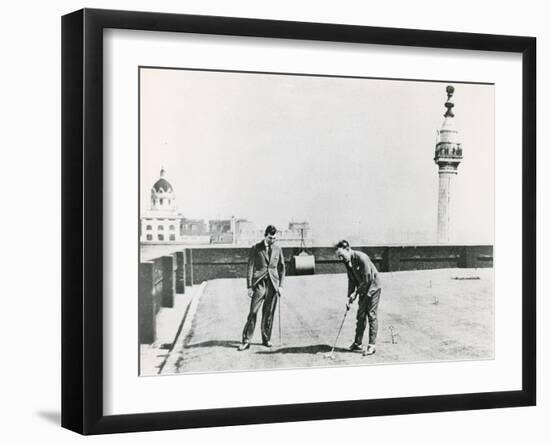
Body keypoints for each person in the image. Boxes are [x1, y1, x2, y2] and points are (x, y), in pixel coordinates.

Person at [238, 225, 286, 351]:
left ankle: (266, 339)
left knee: (269, 313)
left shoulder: (278, 249)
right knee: (253, 312)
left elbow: (282, 269)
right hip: (259, 284)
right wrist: (249, 286)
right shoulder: (256, 248)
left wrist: (280, 286)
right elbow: (250, 267)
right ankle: (246, 340)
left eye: (274, 238)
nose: (272, 240)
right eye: (270, 238)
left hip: (273, 285)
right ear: (265, 236)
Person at [335, 240, 381, 356]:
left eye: (341, 255)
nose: (341, 259)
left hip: (373, 287)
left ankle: (371, 346)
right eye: (338, 257)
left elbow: (367, 279)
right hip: (363, 288)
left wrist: (355, 293)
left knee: (371, 315)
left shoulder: (362, 258)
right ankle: (358, 343)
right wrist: (349, 296)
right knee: (360, 315)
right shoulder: (347, 261)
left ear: (348, 249)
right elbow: (351, 279)